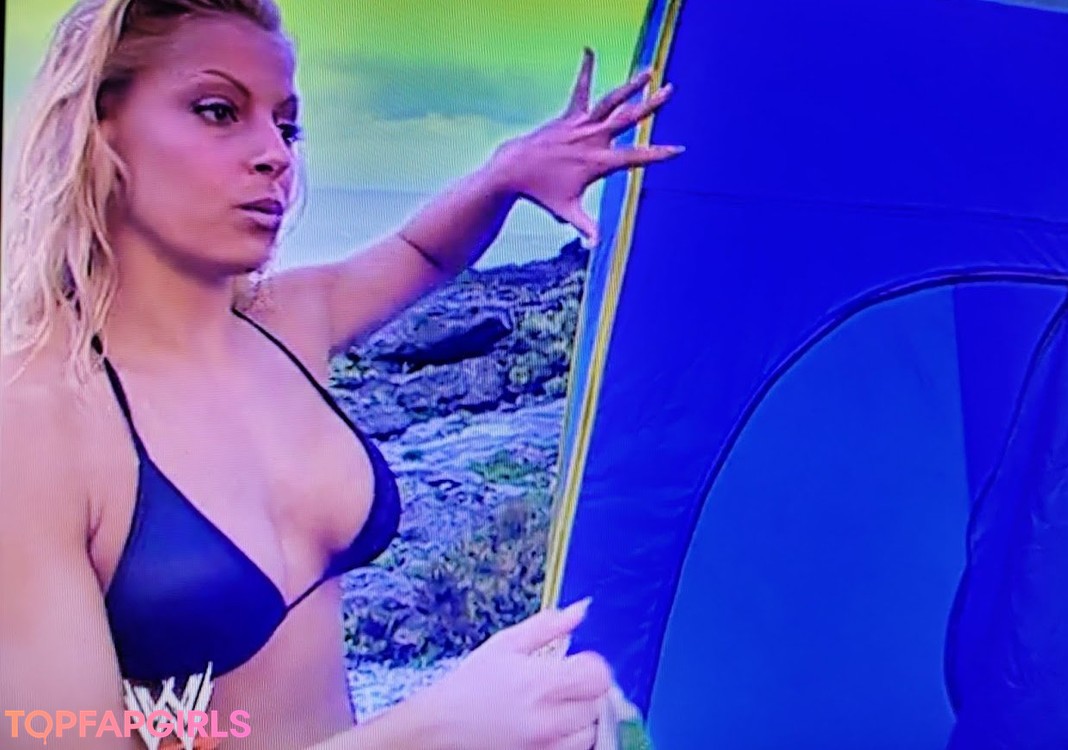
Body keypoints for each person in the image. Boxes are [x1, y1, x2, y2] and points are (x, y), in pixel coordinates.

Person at [0, 0, 682, 748]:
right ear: (101, 130)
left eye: (286, 126)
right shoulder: (36, 421)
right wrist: (431, 729)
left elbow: (422, 253)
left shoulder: (287, 321)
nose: (276, 155)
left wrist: (506, 175)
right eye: (219, 110)